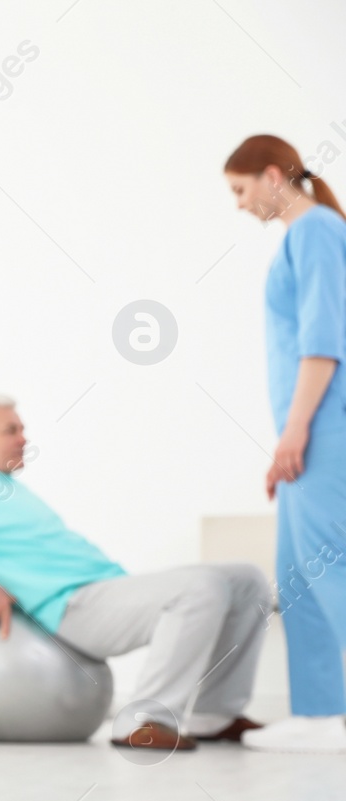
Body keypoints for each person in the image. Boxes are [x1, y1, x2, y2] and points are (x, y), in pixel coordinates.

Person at [0, 396, 271, 749]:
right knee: (201, 588)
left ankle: (215, 716)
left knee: (247, 580)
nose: (23, 438)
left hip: (105, 589)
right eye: (10, 430)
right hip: (71, 605)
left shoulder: (4, 487)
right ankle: (144, 721)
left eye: (24, 429)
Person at [224, 134, 346, 755]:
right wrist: (286, 441)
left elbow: (324, 340)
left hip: (325, 426)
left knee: (329, 565)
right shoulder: (302, 236)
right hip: (304, 432)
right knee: (298, 572)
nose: (240, 205)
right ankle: (322, 713)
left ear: (274, 176)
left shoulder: (317, 230)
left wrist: (297, 431)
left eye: (241, 190)